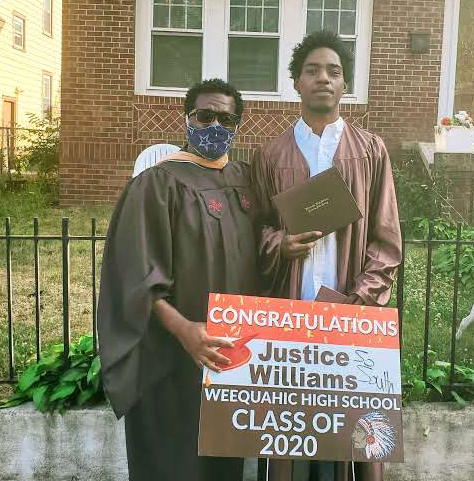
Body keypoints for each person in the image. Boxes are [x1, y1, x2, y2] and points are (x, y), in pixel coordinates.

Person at [251, 30, 402, 481]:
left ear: (345, 84)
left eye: (333, 71)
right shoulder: (270, 154)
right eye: (312, 70)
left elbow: (386, 237)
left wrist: (361, 299)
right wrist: (280, 244)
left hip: (350, 309)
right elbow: (254, 228)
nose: (323, 78)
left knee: (356, 430)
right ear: (296, 82)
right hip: (290, 306)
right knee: (287, 424)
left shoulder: (370, 151)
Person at [98, 79, 258, 481]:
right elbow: (133, 272)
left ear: (237, 126)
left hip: (230, 353)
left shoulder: (244, 179)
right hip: (172, 356)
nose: (215, 126)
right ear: (187, 119)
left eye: (226, 119)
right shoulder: (157, 182)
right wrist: (184, 330)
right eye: (205, 116)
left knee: (222, 461)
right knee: (174, 462)